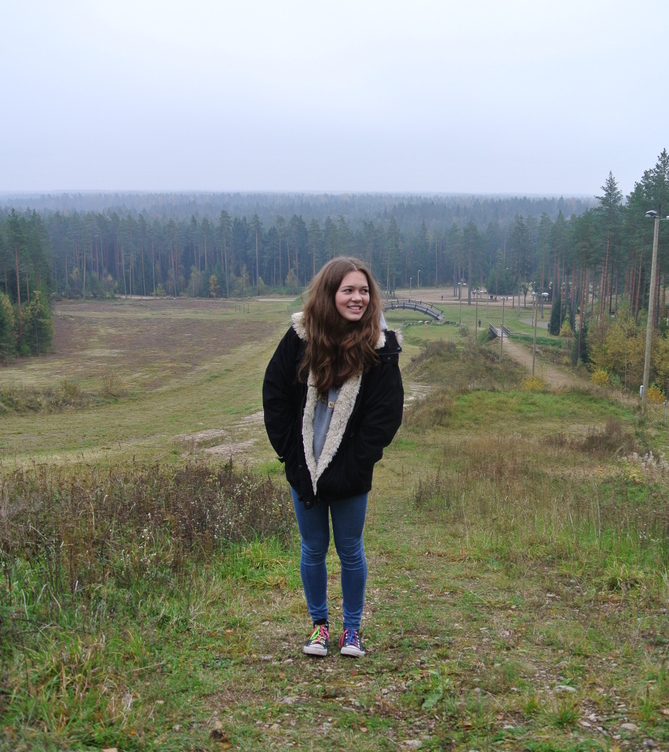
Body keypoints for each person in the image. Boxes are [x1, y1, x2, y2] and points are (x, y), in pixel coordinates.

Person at [263, 257, 403, 658]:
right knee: (312, 548)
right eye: (348, 290)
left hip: (350, 474)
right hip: (304, 468)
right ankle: (320, 627)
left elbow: (385, 416)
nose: (357, 298)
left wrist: (356, 465)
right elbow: (274, 396)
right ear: (330, 294)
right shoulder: (300, 338)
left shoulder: (381, 348)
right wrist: (292, 456)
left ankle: (352, 631)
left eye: (363, 291)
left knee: (350, 549)